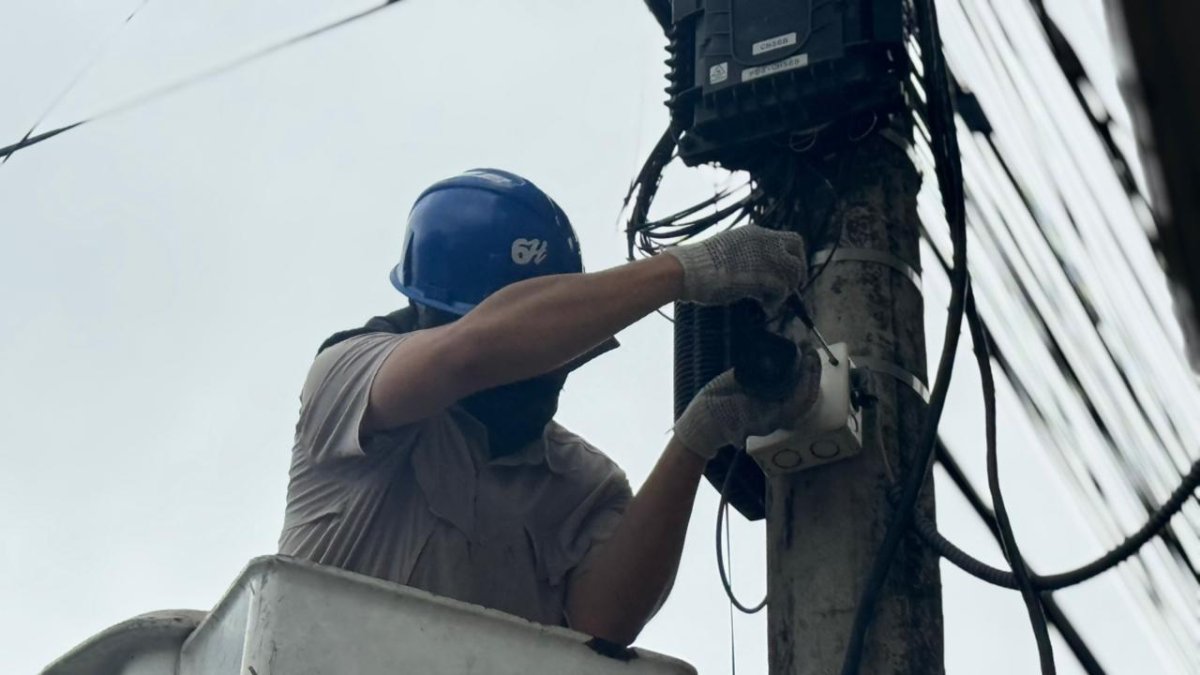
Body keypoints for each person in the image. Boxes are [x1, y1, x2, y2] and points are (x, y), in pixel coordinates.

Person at [278, 168, 819, 646]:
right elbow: (469, 354)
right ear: (426, 315)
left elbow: (603, 624)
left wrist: (698, 437)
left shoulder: (581, 485)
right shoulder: (348, 377)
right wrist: (682, 272)